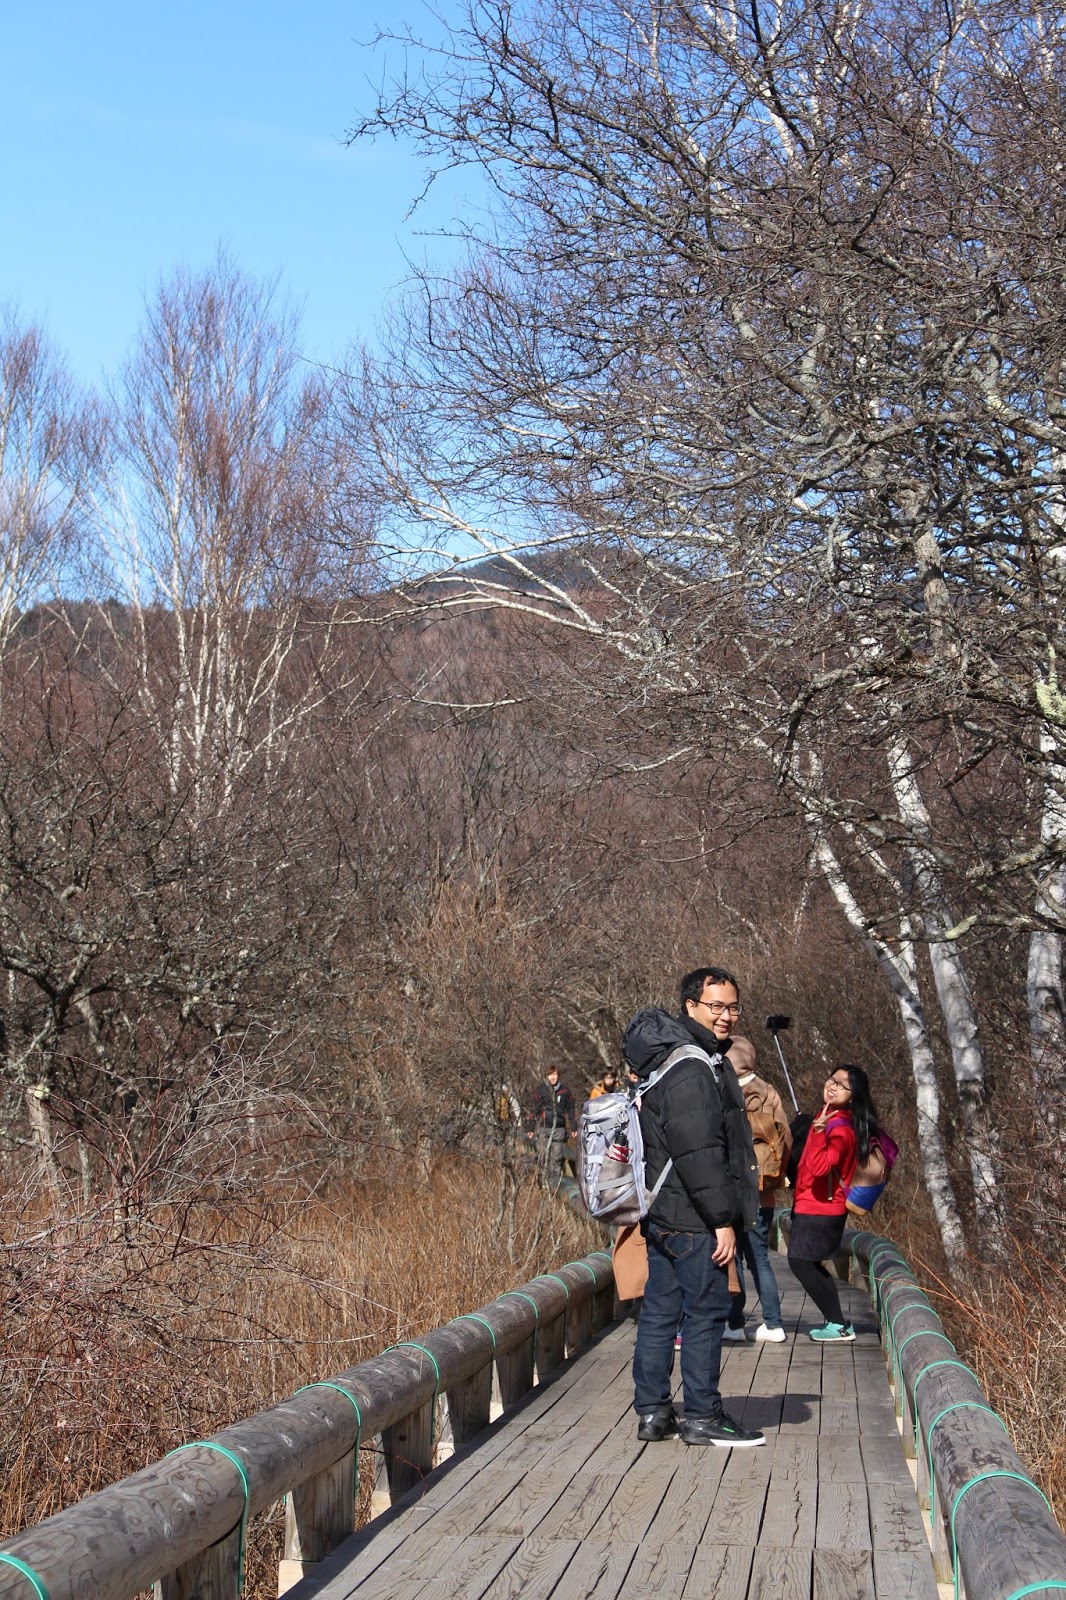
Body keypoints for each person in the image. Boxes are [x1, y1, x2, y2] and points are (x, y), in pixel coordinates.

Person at [623, 965, 763, 1448]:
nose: (726, 1016)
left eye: (733, 1007)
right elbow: (699, 1154)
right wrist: (722, 1221)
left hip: (663, 1213)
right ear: (690, 1006)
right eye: (716, 1006)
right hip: (692, 1217)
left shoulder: (670, 1058)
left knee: (660, 1312)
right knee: (705, 1312)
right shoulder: (691, 1067)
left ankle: (653, 1411)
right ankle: (702, 1414)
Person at [788, 1064, 879, 1342]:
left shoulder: (841, 1128)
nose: (833, 1086)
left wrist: (817, 1133)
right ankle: (836, 1322)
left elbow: (819, 1167)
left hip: (822, 1208)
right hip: (812, 1202)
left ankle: (838, 1324)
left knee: (801, 1262)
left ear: (853, 1095)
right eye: (832, 1079)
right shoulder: (828, 1116)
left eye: (842, 1085)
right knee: (806, 1262)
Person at [724, 1036, 792, 1343]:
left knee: (733, 1257)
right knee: (760, 1259)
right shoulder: (768, 1091)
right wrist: (777, 1177)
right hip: (762, 1192)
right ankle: (773, 1324)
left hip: (730, 1191)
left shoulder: (720, 1088)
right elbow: (786, 1139)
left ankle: (734, 1323)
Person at [526, 1065, 575, 1184]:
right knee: (543, 1157)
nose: (553, 1077)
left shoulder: (565, 1091)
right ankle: (543, 1182)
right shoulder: (540, 1090)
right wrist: (531, 1128)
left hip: (559, 1129)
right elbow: (534, 1110)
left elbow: (571, 1109)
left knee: (557, 1159)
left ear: (558, 1076)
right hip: (544, 1128)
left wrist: (573, 1126)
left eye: (555, 1074)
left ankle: (554, 1184)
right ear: (546, 1076)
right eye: (550, 1075)